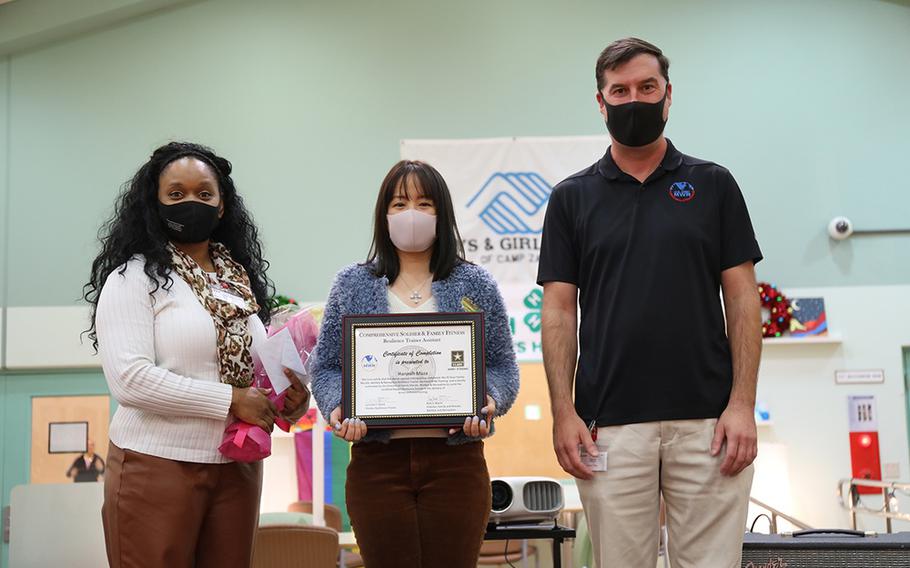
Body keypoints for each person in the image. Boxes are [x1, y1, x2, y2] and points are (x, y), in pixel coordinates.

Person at [538, 38, 762, 568]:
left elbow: (743, 298)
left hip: (709, 423)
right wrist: (563, 411)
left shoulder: (713, 184)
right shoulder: (572, 198)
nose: (633, 100)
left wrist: (742, 403)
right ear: (601, 102)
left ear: (667, 96)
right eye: (620, 90)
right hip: (608, 425)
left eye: (646, 87)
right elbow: (559, 310)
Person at [84, 142, 310, 568]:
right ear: (154, 205)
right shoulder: (133, 278)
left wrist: (290, 402)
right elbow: (130, 380)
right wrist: (230, 400)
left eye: (205, 194)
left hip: (238, 463)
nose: (192, 203)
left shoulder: (239, 283)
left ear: (222, 206)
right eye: (176, 194)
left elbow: (256, 373)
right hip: (155, 466)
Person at [311, 160, 519, 568]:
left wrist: (491, 398)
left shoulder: (474, 283)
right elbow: (326, 368)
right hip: (377, 463)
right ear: (383, 214)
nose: (411, 214)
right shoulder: (352, 284)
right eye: (399, 203)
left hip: (456, 462)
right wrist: (339, 405)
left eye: (424, 204)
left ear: (442, 215)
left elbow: (502, 365)